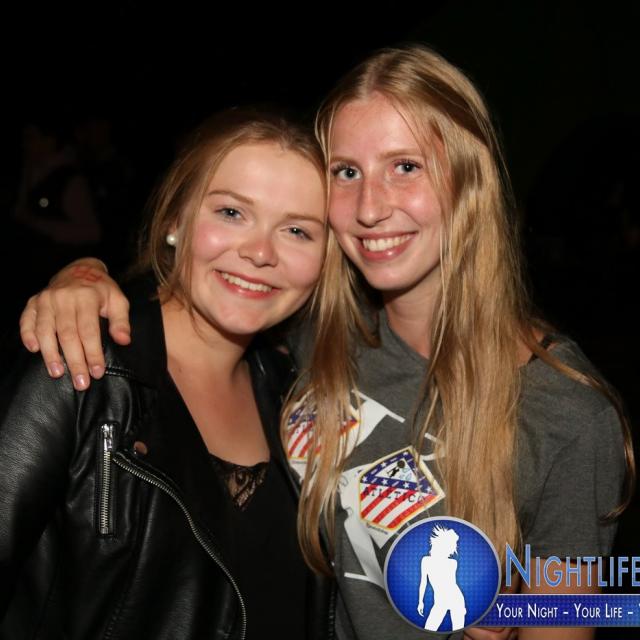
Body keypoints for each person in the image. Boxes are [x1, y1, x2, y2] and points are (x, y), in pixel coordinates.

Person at [18, 45, 634, 640]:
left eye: (406, 166)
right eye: (347, 172)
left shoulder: (567, 413)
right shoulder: (316, 331)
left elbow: (577, 614)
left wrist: (525, 611)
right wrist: (83, 276)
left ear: (471, 179)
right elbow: (206, 288)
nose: (370, 207)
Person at [1, 108, 334, 638]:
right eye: (231, 212)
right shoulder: (79, 363)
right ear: (176, 220)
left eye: (297, 230)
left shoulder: (300, 400)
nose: (260, 252)